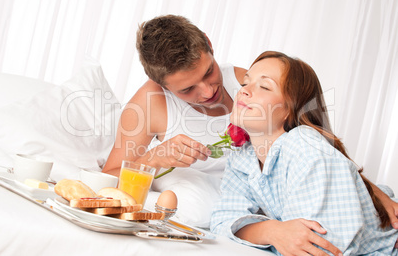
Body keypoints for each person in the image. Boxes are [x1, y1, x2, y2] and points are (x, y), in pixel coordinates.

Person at [102, 15, 398, 248]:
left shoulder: (249, 83)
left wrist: (368, 191)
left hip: (294, 208)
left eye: (208, 72)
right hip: (246, 213)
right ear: (163, 85)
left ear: (209, 43)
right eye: (187, 89)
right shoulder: (149, 103)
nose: (207, 91)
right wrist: (155, 158)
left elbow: (314, 142)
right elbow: (111, 173)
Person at [210, 51, 398, 255]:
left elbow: (318, 248)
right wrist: (272, 231)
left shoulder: (305, 147)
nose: (243, 91)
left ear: (291, 109)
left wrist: (266, 232)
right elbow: (222, 222)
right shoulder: (243, 157)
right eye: (245, 83)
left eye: (264, 86)